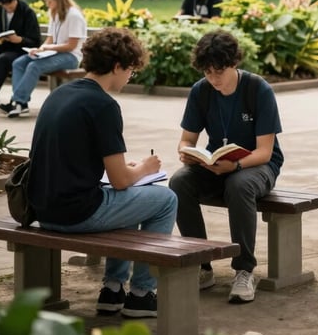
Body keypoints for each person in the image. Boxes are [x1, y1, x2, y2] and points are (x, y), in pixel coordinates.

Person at [27, 28, 178, 319]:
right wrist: (144, 169)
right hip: (76, 214)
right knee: (166, 199)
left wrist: (129, 173)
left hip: (43, 209)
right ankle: (142, 293)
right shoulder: (104, 105)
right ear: (118, 66)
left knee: (128, 199)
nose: (129, 77)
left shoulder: (59, 94)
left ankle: (112, 290)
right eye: (131, 71)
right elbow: (120, 180)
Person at [169, 30, 284, 304]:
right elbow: (187, 138)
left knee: (239, 184)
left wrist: (234, 167)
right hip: (216, 162)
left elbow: (265, 152)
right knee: (179, 182)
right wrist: (186, 152)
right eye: (207, 73)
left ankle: (244, 269)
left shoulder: (258, 90)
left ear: (233, 63)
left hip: (256, 166)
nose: (213, 79)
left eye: (218, 72)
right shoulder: (201, 91)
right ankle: (201, 264)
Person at [0, 0, 88, 118]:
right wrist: (39, 49)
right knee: (18, 63)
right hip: (54, 53)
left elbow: (71, 46)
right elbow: (51, 39)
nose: (48, 5)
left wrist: (49, 48)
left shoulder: (74, 15)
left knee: (34, 66)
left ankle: (17, 102)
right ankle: (21, 104)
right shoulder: (54, 13)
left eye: (49, 1)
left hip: (70, 57)